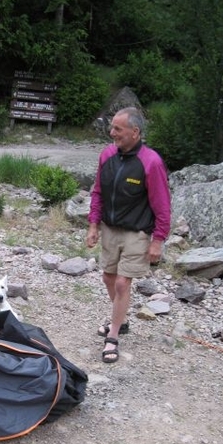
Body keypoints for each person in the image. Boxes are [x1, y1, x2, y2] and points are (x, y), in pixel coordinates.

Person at [86, 107, 171, 364]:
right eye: (112, 128)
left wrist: (158, 239)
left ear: (135, 132)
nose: (112, 133)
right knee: (108, 277)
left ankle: (113, 336)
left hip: (137, 232)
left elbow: (162, 205)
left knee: (123, 283)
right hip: (111, 228)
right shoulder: (107, 156)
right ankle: (120, 319)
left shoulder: (151, 162)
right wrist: (93, 225)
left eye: (118, 129)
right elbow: (98, 192)